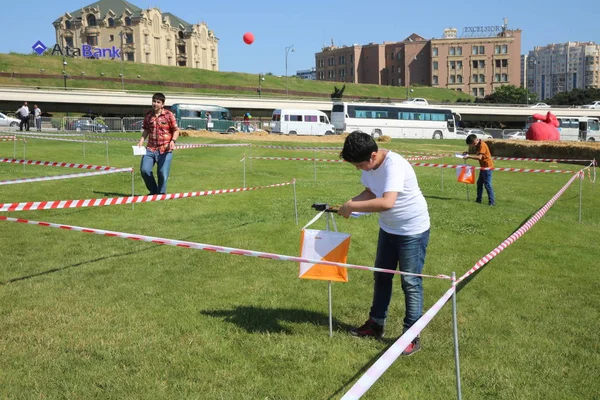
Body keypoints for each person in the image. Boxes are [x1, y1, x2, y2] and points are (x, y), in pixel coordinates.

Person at [338, 131, 430, 356]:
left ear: (373, 155)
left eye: (360, 165)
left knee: (410, 282)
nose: (359, 169)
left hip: (412, 231)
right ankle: (375, 324)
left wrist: (353, 207)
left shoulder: (394, 165)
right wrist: (350, 202)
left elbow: (387, 202)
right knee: (381, 275)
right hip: (388, 230)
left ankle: (411, 335)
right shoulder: (369, 167)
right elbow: (370, 192)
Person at [137, 93, 179, 195]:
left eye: (158, 102)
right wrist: (141, 141)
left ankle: (160, 194)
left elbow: (176, 130)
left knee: (162, 173)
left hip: (165, 149)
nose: (155, 104)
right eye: (154, 101)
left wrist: (173, 141)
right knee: (144, 170)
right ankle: (153, 191)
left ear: (162, 104)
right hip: (150, 149)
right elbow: (146, 130)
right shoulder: (148, 116)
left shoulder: (169, 115)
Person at [463, 134, 495, 206]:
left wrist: (468, 157)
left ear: (474, 141)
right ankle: (478, 200)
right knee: (479, 183)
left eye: (471, 145)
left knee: (487, 185)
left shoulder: (482, 145)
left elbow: (479, 157)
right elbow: (478, 153)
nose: (471, 146)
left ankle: (492, 202)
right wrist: (468, 153)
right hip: (483, 167)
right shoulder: (478, 145)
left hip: (487, 167)